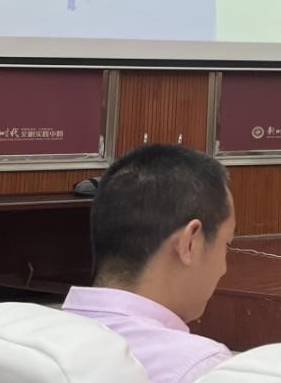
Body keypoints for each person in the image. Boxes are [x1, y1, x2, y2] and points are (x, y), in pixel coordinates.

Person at [62, 143, 236, 383]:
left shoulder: (30, 335)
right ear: (190, 243)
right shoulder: (199, 367)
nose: (224, 269)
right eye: (227, 243)